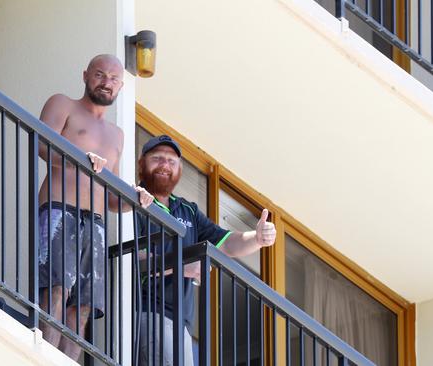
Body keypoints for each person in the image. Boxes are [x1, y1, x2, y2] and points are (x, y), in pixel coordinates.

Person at [37, 54, 153, 360]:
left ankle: (67, 361)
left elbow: (112, 197)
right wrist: (81, 158)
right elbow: (41, 145)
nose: (106, 83)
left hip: (97, 222)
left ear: (121, 86)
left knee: (85, 304)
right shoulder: (63, 104)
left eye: (114, 79)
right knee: (57, 287)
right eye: (100, 75)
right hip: (61, 209)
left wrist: (135, 200)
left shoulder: (117, 134)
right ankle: (44, 356)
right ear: (86, 75)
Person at [137, 134, 277, 366]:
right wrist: (183, 266)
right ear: (141, 163)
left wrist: (258, 238)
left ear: (180, 169)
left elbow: (225, 243)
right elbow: (136, 260)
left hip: (182, 323)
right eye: (157, 158)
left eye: (172, 161)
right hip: (149, 312)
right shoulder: (136, 199)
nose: (165, 165)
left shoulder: (187, 210)